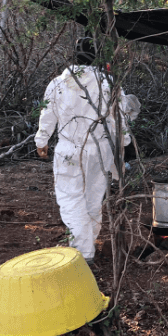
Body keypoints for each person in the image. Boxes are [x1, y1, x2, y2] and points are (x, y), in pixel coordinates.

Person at [35, 38, 137, 264]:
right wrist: (125, 143)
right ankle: (86, 244)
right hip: (101, 150)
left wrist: (41, 141)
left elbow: (47, 115)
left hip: (70, 150)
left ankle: (84, 255)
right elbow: (119, 119)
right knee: (92, 198)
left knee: (71, 200)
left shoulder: (58, 84)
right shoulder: (110, 82)